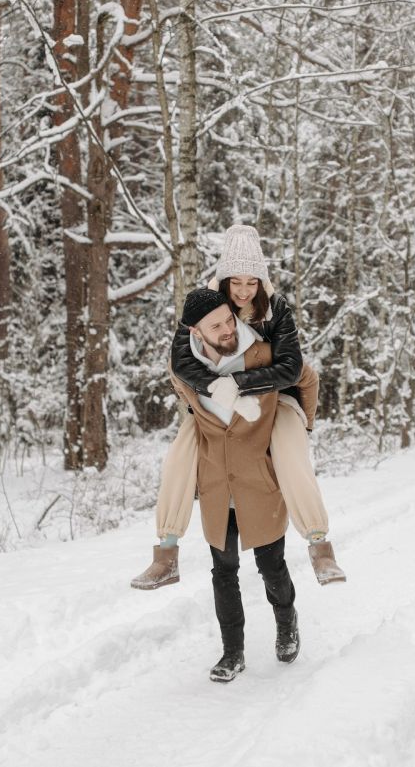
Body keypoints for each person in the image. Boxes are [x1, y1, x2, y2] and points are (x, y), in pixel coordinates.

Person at [130, 224, 345, 592]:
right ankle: (166, 554)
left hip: (277, 398)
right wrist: (217, 388)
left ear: (261, 281)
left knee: (289, 453)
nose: (244, 291)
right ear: (224, 279)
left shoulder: (276, 310)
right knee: (180, 455)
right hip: (217, 401)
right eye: (236, 282)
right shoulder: (207, 306)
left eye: (252, 282)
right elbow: (181, 361)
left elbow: (292, 368)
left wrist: (241, 384)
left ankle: (319, 544)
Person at [166, 287, 300, 682]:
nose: (227, 329)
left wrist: (299, 430)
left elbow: (302, 378)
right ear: (195, 331)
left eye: (229, 319)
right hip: (216, 485)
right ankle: (232, 652)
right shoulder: (186, 368)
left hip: (260, 480)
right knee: (223, 572)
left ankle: (287, 622)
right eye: (216, 325)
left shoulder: (262, 352)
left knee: (270, 566)